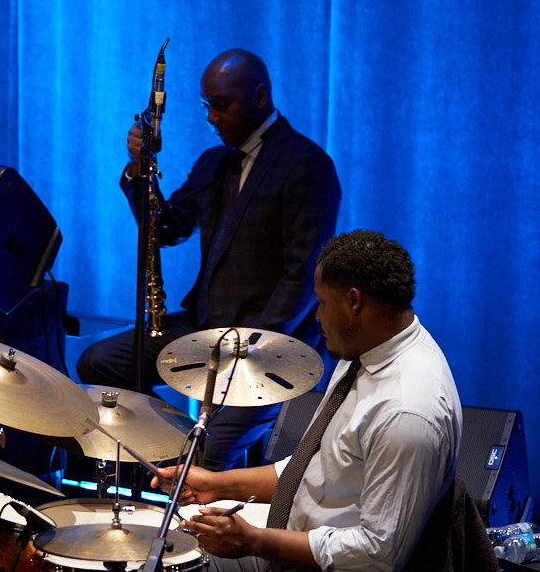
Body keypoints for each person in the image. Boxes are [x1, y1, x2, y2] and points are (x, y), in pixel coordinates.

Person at [76, 48, 341, 470]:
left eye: (221, 105)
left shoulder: (307, 165)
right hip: (206, 329)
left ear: (259, 95)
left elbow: (301, 276)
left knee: (213, 453)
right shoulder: (215, 162)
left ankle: (197, 464)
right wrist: (138, 170)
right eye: (207, 105)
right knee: (98, 362)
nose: (211, 117)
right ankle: (171, 447)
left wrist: (255, 349)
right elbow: (167, 228)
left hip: (269, 346)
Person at [152, 230, 463, 571]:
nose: (316, 316)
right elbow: (320, 469)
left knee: (175, 560)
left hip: (319, 561)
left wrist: (253, 541)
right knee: (165, 539)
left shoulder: (406, 412)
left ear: (354, 302)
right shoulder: (363, 352)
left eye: (322, 303)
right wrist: (216, 485)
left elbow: (377, 555)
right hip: (295, 529)